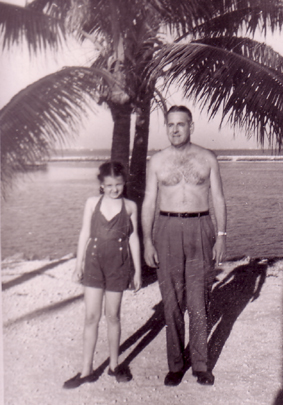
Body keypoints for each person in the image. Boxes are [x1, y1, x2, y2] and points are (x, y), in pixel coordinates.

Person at [142, 105, 226, 387]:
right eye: (170, 124)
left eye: (181, 124)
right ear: (166, 127)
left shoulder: (207, 158)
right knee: (172, 301)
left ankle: (201, 365)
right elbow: (149, 202)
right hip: (166, 228)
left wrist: (222, 236)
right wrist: (147, 241)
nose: (175, 129)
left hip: (200, 227)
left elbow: (218, 198)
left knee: (199, 300)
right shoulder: (157, 161)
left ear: (191, 125)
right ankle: (176, 364)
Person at [64, 161, 142, 389]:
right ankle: (86, 370)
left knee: (113, 316)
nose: (114, 189)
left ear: (124, 182)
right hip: (94, 263)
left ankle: (114, 366)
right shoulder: (91, 203)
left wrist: (137, 270)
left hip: (119, 265)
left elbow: (134, 238)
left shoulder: (130, 206)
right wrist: (78, 264)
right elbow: (84, 233)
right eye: (108, 185)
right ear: (101, 185)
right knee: (91, 317)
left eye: (118, 184)